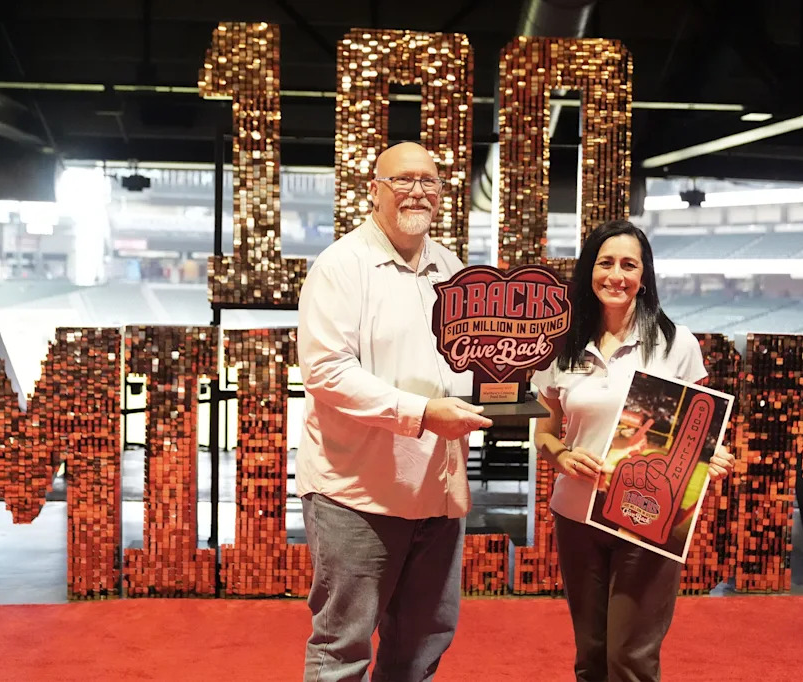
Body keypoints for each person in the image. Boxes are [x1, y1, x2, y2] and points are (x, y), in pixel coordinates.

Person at [296, 141, 493, 682]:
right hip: (356, 493)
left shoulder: (450, 268)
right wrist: (425, 414)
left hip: (436, 492)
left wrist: (515, 381)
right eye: (402, 180)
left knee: (421, 645)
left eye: (428, 181)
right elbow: (327, 372)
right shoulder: (341, 265)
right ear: (374, 191)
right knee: (342, 646)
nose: (417, 191)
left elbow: (471, 361)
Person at [531, 219, 735, 682]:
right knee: (592, 656)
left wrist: (710, 454)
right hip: (576, 516)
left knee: (631, 658)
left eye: (629, 264)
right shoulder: (561, 345)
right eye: (605, 263)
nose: (616, 275)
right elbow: (544, 434)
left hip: (647, 518)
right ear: (588, 271)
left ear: (644, 277)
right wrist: (562, 456)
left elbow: (699, 423)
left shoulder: (674, 342)